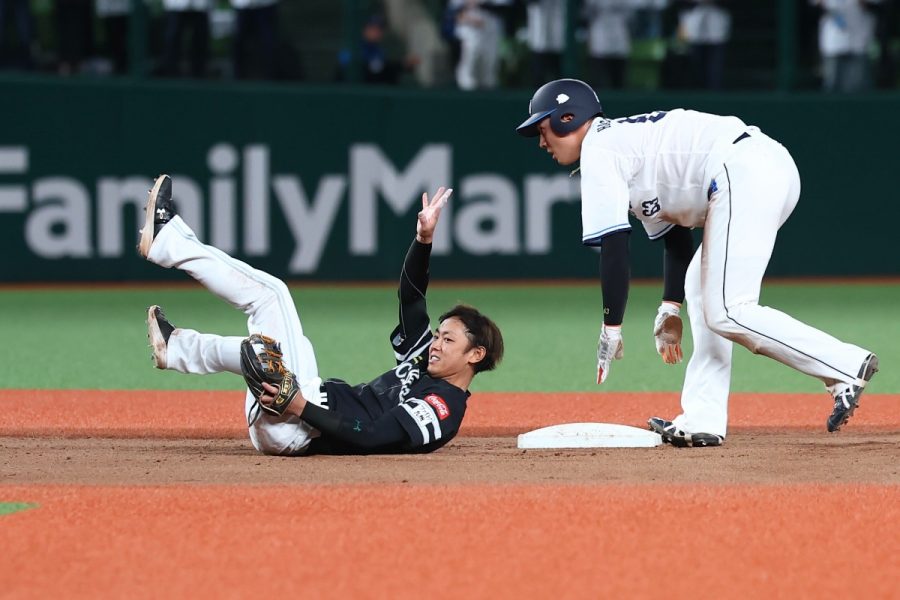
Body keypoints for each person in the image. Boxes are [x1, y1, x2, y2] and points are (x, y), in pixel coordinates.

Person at [515, 78, 879, 447]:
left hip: (742, 170)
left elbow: (614, 246)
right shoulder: (622, 147)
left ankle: (845, 365)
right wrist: (669, 307)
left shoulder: (599, 148)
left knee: (728, 310)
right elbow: (676, 238)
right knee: (703, 290)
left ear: (568, 118)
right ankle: (703, 418)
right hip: (762, 167)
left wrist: (611, 327)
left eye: (543, 129)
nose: (541, 142)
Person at [137, 175, 503, 456]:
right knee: (276, 347)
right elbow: (411, 297)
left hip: (296, 424)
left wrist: (300, 406)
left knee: (271, 296)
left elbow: (373, 437)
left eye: (447, 339)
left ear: (476, 354)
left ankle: (168, 241)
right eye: (438, 335)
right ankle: (175, 348)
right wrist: (423, 240)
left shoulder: (444, 407)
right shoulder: (423, 360)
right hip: (293, 411)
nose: (436, 344)